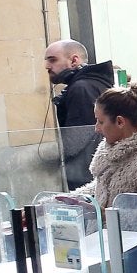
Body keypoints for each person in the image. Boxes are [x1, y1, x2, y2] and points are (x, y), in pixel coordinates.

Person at [65, 80, 137, 210]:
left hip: (122, 231)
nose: (97, 128)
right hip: (106, 230)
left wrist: (100, 213)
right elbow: (103, 187)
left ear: (120, 122)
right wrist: (68, 200)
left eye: (101, 121)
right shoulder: (111, 150)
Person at [44, 39, 115, 188]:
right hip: (93, 167)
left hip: (86, 171)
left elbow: (79, 135)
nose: (47, 66)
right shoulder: (91, 83)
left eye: (53, 60)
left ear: (74, 60)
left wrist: (51, 158)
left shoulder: (81, 88)